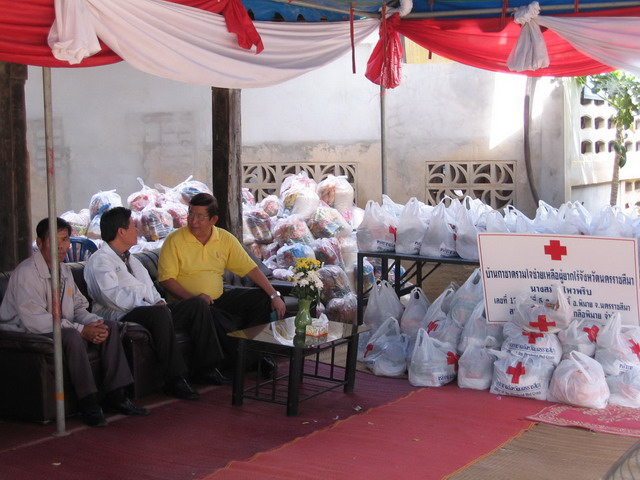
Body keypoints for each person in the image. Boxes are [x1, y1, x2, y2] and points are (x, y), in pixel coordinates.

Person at [0, 217, 149, 427]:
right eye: (54, 241)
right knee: (71, 336)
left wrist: (94, 323)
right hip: (26, 333)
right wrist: (81, 329)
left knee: (109, 326)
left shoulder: (64, 270)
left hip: (60, 326)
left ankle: (117, 396)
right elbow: (35, 321)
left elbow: (78, 307)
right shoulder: (26, 273)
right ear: (40, 243)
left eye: (65, 240)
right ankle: (89, 403)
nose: (61, 246)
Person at [84, 207, 230, 401]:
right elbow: (110, 296)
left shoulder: (131, 259)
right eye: (133, 226)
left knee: (197, 305)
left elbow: (150, 288)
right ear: (121, 232)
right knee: (159, 313)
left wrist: (158, 301)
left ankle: (207, 368)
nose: (137, 230)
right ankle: (174, 379)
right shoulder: (100, 260)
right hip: (123, 314)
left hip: (149, 310)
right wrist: (149, 306)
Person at [157, 193, 286, 372]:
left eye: (200, 216)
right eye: (190, 214)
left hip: (218, 297)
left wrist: (274, 295)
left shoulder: (224, 238)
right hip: (188, 304)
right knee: (218, 318)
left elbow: (251, 269)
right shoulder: (174, 240)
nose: (193, 221)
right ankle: (253, 359)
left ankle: (250, 356)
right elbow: (166, 279)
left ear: (213, 220)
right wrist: (195, 299)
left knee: (261, 299)